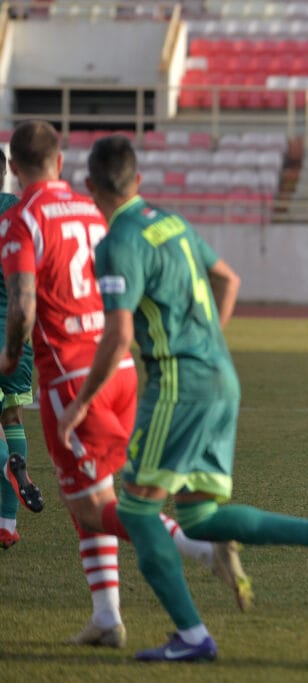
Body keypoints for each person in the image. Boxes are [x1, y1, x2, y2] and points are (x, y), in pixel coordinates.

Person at [58, 134, 308, 663]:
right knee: (200, 518)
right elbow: (228, 279)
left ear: (90, 186)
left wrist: (79, 403)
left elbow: (116, 337)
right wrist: (210, 345)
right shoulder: (173, 222)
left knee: (137, 512)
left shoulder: (116, 243)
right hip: (220, 376)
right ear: (137, 181)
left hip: (179, 385)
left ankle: (191, 636)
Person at [0, 120, 251, 649]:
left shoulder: (23, 218)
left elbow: (22, 305)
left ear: (13, 167)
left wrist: (9, 355)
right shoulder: (92, 208)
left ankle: (202, 548)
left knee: (93, 506)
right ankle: (107, 617)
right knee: (91, 497)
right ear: (61, 161)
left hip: (71, 374)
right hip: (120, 368)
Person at [0, 147, 43, 550]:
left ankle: (12, 471)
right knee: (11, 415)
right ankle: (7, 524)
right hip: (17, 335)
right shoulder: (19, 213)